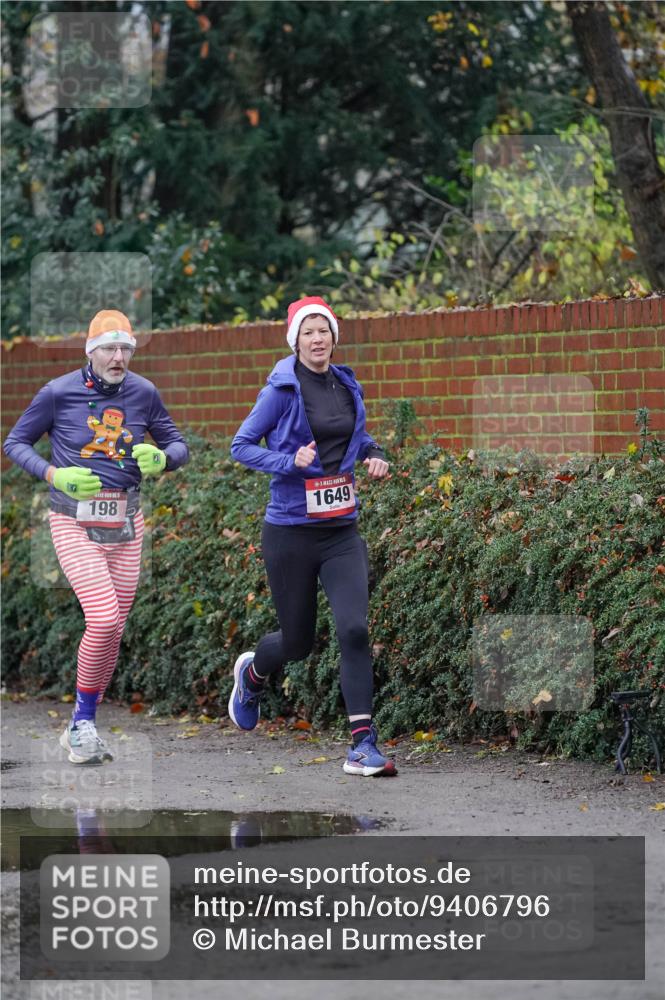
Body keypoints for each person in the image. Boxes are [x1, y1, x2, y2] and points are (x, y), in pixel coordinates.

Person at [3, 310, 189, 765]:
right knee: (104, 617)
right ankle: (82, 724)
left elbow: (179, 445)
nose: (119, 356)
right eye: (109, 347)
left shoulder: (144, 393)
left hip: (127, 521)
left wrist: (164, 459)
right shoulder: (58, 392)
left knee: (114, 629)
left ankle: (81, 725)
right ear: (90, 351)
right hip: (73, 519)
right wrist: (55, 474)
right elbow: (15, 443)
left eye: (126, 347)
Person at [229, 296, 395, 776]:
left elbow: (354, 438)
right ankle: (253, 673)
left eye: (324, 331)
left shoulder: (346, 385)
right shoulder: (281, 390)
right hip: (290, 533)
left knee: (354, 630)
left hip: (341, 530)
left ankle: (362, 743)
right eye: (308, 332)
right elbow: (241, 446)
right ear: (295, 341)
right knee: (299, 642)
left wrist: (374, 453)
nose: (318, 339)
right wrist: (289, 462)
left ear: (334, 337)